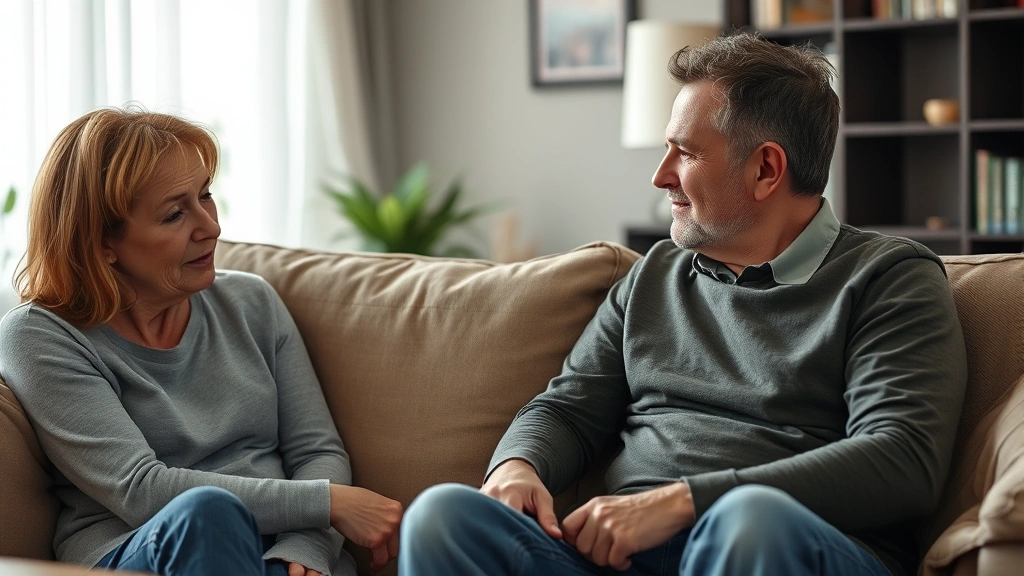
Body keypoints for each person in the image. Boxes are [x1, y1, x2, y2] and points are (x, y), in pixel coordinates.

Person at [398, 33, 967, 576]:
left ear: (766, 169)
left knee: (749, 521)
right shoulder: (655, 275)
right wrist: (517, 465)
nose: (659, 176)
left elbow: (902, 459)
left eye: (686, 153)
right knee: (444, 516)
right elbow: (567, 409)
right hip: (619, 560)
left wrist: (683, 502)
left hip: (775, 546)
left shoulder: (888, 277)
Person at [0, 108, 402, 576]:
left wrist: (307, 547)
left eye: (205, 195)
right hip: (144, 552)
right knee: (208, 515)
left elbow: (317, 452)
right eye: (174, 214)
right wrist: (328, 504)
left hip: (282, 556)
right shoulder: (41, 335)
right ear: (101, 242)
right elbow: (139, 489)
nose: (211, 227)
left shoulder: (252, 302)